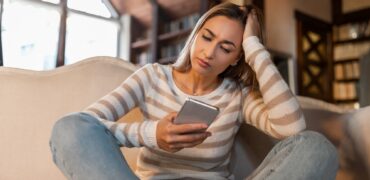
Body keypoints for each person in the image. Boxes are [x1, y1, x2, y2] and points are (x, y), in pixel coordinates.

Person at [49, 2, 338, 180]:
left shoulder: (236, 96)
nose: (209, 53)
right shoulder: (151, 77)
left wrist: (255, 49)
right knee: (67, 128)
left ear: (237, 57)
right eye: (207, 37)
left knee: (316, 147)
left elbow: (292, 128)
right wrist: (152, 134)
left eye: (226, 48)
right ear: (195, 33)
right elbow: (85, 126)